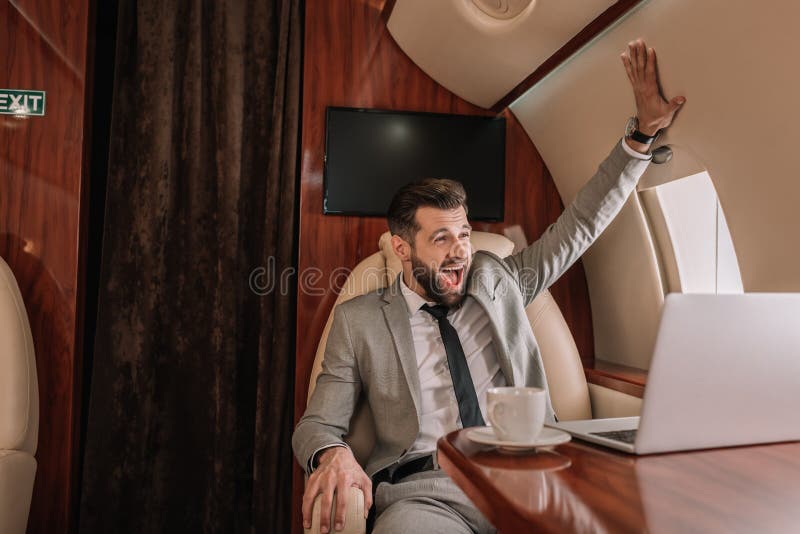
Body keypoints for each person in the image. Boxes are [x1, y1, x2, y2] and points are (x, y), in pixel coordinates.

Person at [292, 39, 686, 534]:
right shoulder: (360, 319)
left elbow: (580, 225)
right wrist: (334, 456)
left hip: (534, 478)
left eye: (462, 234)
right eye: (441, 239)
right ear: (401, 248)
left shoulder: (498, 277)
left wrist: (641, 136)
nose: (460, 250)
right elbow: (317, 424)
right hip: (428, 495)